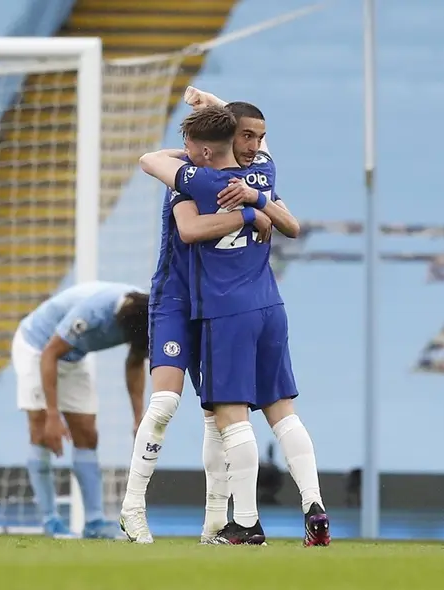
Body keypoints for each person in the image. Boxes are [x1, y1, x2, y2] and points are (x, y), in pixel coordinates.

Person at [137, 105, 330, 547]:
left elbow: (150, 163)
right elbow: (293, 226)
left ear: (205, 147)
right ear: (241, 137)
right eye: (249, 136)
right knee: (283, 412)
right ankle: (314, 507)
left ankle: (245, 522)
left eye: (257, 138)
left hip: (226, 311)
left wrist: (190, 155)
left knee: (230, 416)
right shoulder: (265, 171)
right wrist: (258, 204)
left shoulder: (202, 179)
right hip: (270, 306)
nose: (255, 145)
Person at [119, 89, 284, 545]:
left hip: (213, 305)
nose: (183, 152)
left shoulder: (220, 176)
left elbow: (158, 156)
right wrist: (251, 213)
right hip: (174, 300)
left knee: (215, 413)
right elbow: (189, 229)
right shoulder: (194, 182)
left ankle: (215, 522)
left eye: (190, 145)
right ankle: (132, 508)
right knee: (166, 403)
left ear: (206, 148)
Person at [13, 281, 148, 539]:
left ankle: (94, 522)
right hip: (37, 348)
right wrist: (53, 415)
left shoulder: (145, 313)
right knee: (42, 431)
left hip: (73, 356)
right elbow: (49, 353)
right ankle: (50, 521)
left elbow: (134, 362)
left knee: (87, 433)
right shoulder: (94, 312)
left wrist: (138, 417)